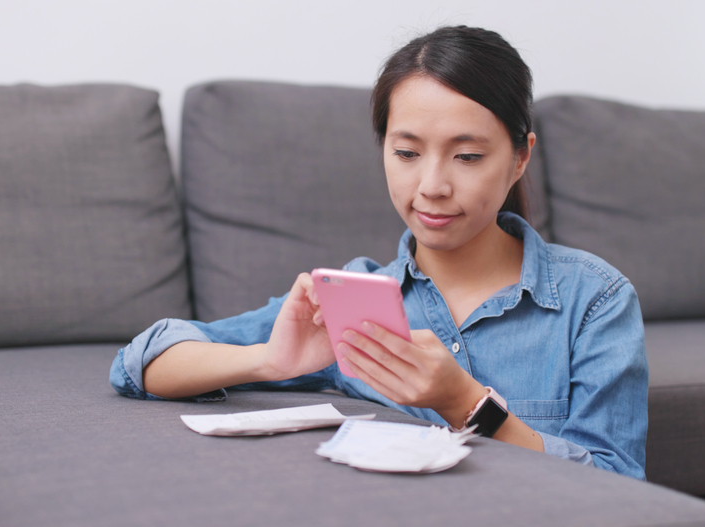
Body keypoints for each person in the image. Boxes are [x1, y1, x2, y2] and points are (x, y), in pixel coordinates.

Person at [110, 26, 648, 480]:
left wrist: (467, 405)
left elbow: (621, 486)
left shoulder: (594, 301)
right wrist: (269, 361)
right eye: (407, 152)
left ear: (519, 158)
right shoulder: (353, 308)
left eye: (467, 156)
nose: (431, 185)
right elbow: (142, 359)